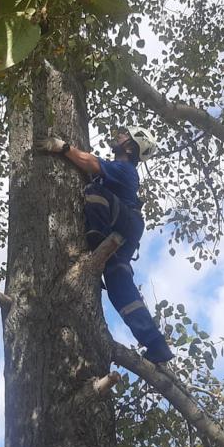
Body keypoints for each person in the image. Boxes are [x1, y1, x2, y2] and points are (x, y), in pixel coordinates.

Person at [34, 128, 175, 363]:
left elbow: (90, 162)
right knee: (120, 288)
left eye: (123, 137)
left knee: (94, 191)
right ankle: (155, 344)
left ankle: (97, 239)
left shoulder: (124, 170)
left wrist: (63, 147)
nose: (118, 138)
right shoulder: (115, 173)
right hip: (123, 233)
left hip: (126, 222)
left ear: (130, 147)